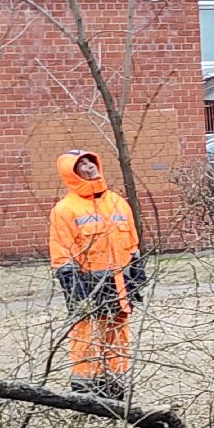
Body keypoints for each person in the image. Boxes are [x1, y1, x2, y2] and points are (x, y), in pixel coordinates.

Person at [49, 151, 147, 398]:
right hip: (88, 283)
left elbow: (132, 244)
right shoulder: (65, 209)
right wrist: (77, 292)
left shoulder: (117, 202)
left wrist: (136, 275)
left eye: (90, 161)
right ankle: (85, 387)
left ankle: (116, 384)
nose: (89, 166)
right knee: (87, 334)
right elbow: (63, 255)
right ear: (71, 173)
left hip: (120, 282)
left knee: (118, 331)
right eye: (81, 164)